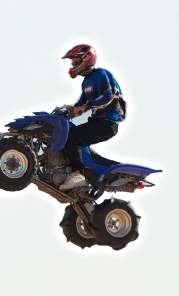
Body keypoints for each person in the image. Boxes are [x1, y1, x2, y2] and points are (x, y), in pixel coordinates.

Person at [59, 44, 125, 190]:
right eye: (73, 63)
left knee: (72, 137)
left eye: (75, 62)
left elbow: (107, 97)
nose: (73, 65)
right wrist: (68, 112)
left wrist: (86, 108)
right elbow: (81, 104)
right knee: (67, 134)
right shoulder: (86, 81)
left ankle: (78, 174)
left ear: (86, 59)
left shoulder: (100, 74)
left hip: (108, 123)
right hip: (97, 122)